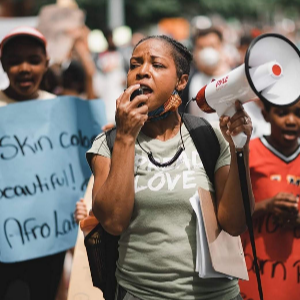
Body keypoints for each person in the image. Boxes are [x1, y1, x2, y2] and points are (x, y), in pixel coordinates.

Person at [86, 34, 254, 300]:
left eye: (157, 65)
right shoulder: (108, 144)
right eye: (134, 64)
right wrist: (126, 136)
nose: (142, 72)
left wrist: (239, 148)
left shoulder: (210, 137)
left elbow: (235, 223)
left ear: (181, 81)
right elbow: (113, 222)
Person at [0, 27, 63, 300]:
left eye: (33, 60)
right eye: (14, 60)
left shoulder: (62, 111)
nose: (24, 68)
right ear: (3, 65)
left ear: (46, 63)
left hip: (48, 237)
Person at [239, 100, 300, 300]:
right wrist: (268, 206)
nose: (291, 120)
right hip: (254, 277)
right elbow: (229, 216)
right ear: (265, 115)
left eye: (298, 113)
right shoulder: (248, 153)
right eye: (282, 113)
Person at [187, 27, 231, 123]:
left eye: (212, 46)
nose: (207, 52)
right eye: (201, 47)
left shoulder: (235, 77)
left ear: (221, 47)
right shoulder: (188, 82)